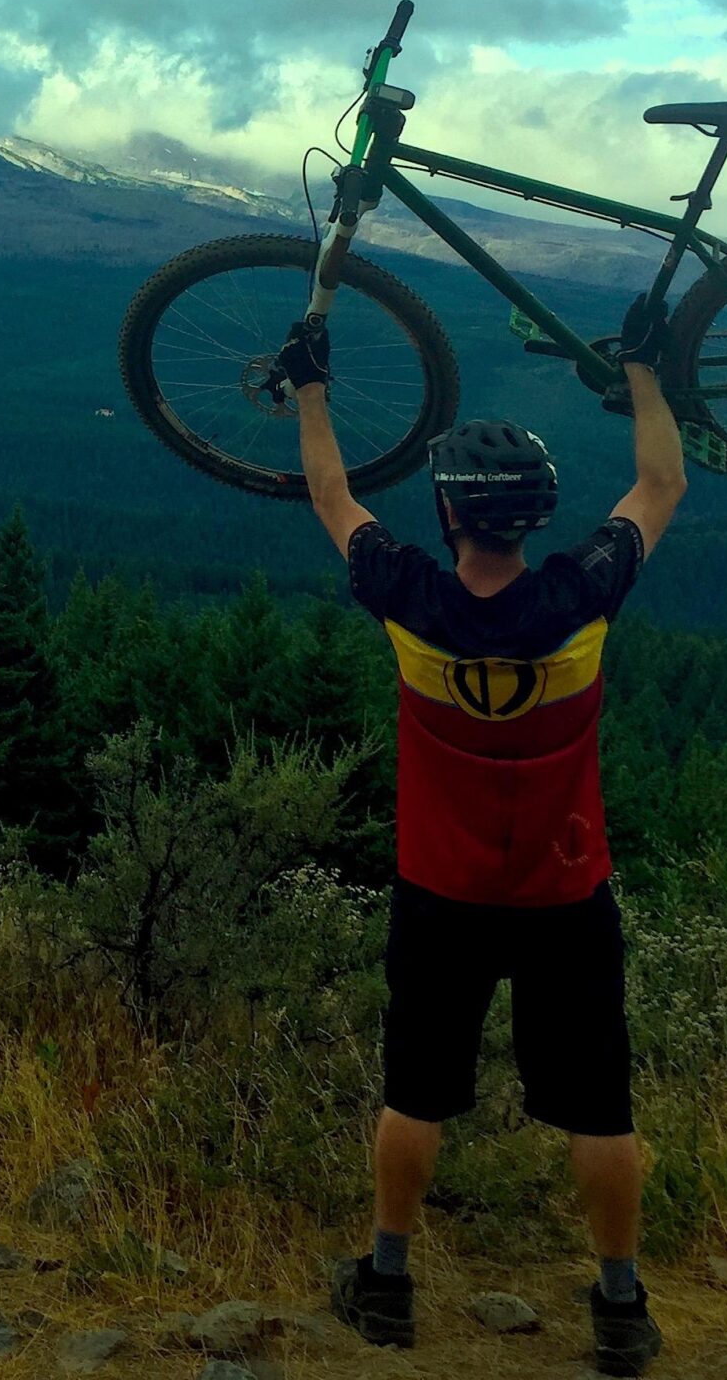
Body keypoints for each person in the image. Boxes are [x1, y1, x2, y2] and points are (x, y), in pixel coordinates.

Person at [279, 294, 686, 1378]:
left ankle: (387, 1283)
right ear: (536, 515)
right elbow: (660, 486)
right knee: (598, 1105)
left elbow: (330, 491)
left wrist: (310, 389)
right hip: (565, 894)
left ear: (452, 518)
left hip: (440, 892)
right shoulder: (581, 597)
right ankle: (618, 1306)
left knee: (415, 1092)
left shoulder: (406, 596)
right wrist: (644, 373)